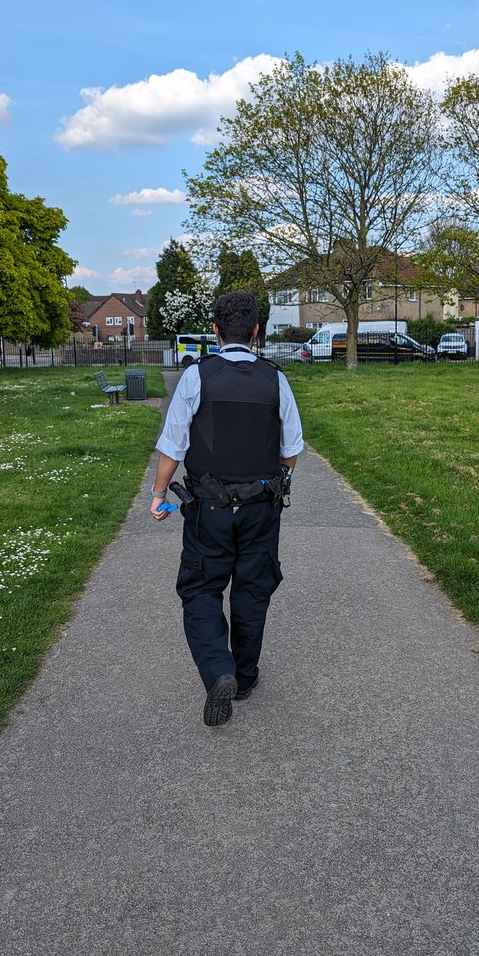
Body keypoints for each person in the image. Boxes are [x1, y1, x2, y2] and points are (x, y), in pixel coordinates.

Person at [149, 292, 304, 726]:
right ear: (257, 331)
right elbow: (291, 450)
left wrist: (159, 495)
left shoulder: (196, 377)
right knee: (253, 590)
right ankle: (246, 676)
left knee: (200, 588)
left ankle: (219, 670)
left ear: (214, 331)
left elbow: (172, 446)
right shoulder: (277, 379)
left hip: (208, 509)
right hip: (261, 506)